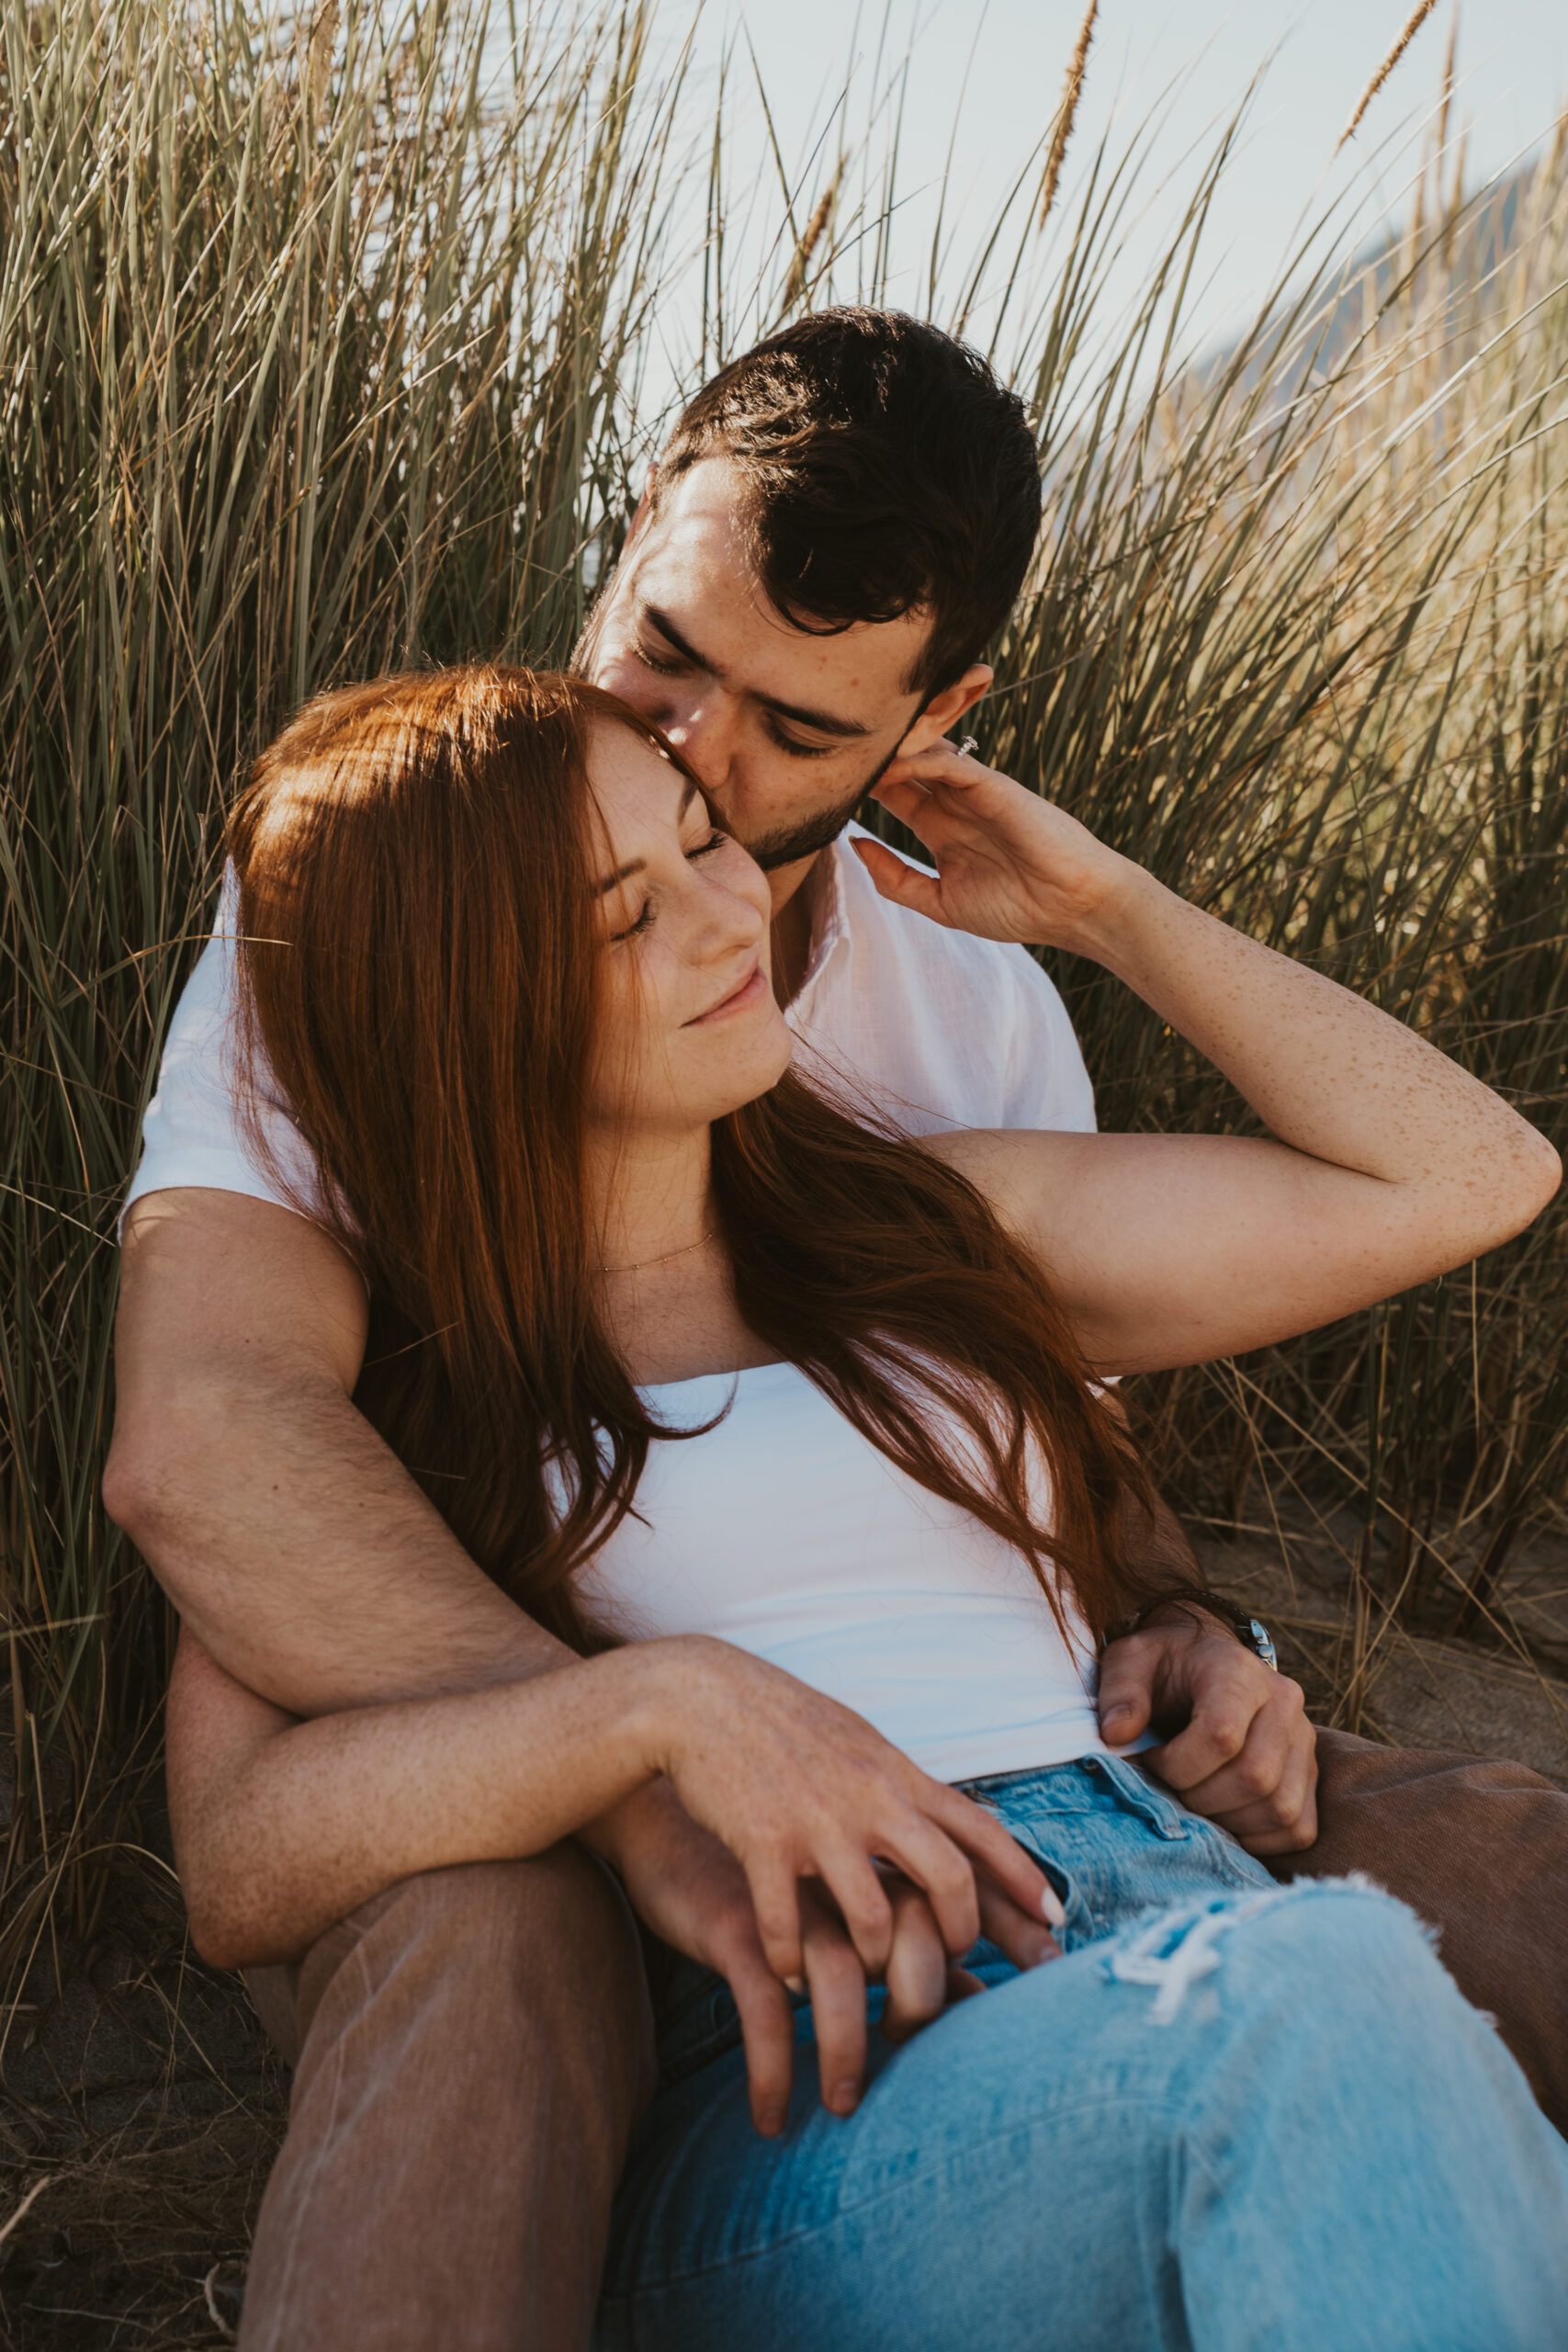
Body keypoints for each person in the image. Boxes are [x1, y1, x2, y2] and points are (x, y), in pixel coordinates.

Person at [105, 311, 1568, 2348]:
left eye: (747, 789)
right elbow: (218, 1548)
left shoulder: (930, 1172)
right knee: (1313, 2008)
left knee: (1415, 1955)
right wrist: (643, 1727)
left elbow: (1461, 1182)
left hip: (1154, 1893)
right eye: (664, 666)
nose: (704, 793)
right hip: (837, 2043)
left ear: (931, 716)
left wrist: (1109, 907)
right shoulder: (412, 1303)